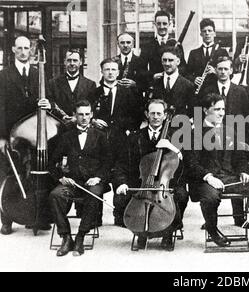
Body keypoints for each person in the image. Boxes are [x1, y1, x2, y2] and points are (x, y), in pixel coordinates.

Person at [184, 93, 249, 257]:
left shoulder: (229, 130)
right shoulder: (194, 132)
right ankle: (212, 229)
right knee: (210, 197)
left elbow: (239, 157)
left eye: (223, 109)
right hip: (206, 180)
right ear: (205, 110)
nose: (221, 113)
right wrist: (209, 177)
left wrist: (243, 172)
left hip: (229, 177)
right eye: (216, 109)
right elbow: (191, 164)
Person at [114, 99, 187, 250]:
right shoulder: (134, 137)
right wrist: (121, 182)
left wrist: (173, 148)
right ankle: (140, 230)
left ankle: (168, 232)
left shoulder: (175, 136)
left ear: (165, 115)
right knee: (121, 198)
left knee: (181, 195)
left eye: (159, 113)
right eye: (152, 113)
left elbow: (187, 162)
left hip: (167, 184)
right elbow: (121, 164)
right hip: (142, 183)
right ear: (147, 114)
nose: (155, 117)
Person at [0, 36, 53, 235]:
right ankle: (7, 219)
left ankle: (36, 216)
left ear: (31, 51)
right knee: (9, 174)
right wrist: (2, 136)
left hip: (32, 132)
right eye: (20, 48)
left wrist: (48, 104)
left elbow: (47, 99)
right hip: (11, 134)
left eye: (27, 48)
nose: (24, 52)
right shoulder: (3, 75)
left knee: (34, 174)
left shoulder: (37, 73)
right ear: (13, 49)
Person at [48, 100, 112, 257]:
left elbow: (108, 162)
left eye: (87, 114)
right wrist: (61, 178)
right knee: (55, 195)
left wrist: (98, 177)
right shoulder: (66, 137)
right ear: (75, 116)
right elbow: (51, 163)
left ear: (91, 115)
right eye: (80, 114)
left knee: (93, 195)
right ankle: (66, 237)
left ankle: (80, 237)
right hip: (72, 182)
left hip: (93, 182)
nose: (84, 117)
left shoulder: (100, 136)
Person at [90, 58, 143, 226]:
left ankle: (120, 214)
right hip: (99, 139)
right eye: (107, 69)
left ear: (118, 72)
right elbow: (85, 112)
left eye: (113, 69)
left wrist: (127, 129)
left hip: (121, 139)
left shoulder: (129, 93)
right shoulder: (95, 92)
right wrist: (93, 121)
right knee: (98, 172)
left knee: (120, 174)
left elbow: (137, 115)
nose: (110, 72)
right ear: (102, 72)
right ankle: (95, 216)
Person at [202, 55, 249, 226]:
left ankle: (239, 217)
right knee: (214, 169)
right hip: (212, 137)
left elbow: (246, 116)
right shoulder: (207, 89)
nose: (223, 72)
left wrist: (244, 141)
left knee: (235, 172)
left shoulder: (241, 91)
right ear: (215, 70)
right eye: (220, 68)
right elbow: (201, 111)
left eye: (226, 69)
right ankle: (211, 219)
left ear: (232, 70)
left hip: (235, 138)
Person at [48, 49, 97, 124]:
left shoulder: (90, 84)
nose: (72, 63)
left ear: (81, 62)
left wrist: (77, 118)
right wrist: (63, 117)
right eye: (69, 60)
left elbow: (92, 106)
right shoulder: (53, 83)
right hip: (60, 125)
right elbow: (51, 103)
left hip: (82, 126)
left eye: (75, 60)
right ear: (64, 61)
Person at [140, 11, 187, 85]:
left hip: (173, 84)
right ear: (155, 24)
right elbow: (141, 70)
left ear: (169, 24)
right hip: (156, 85)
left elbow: (183, 67)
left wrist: (172, 73)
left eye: (164, 24)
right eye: (159, 24)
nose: (162, 27)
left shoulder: (176, 44)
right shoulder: (147, 46)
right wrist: (152, 76)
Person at [149, 47, 195, 117]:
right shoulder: (155, 83)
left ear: (178, 62)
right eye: (164, 60)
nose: (167, 64)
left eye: (170, 60)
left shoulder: (188, 85)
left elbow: (195, 110)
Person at [186, 18, 229, 92]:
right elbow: (187, 74)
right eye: (204, 31)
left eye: (210, 31)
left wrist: (216, 72)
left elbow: (229, 73)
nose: (207, 33)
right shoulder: (193, 53)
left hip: (216, 90)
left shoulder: (222, 52)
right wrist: (194, 79)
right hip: (199, 92)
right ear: (201, 34)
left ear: (214, 33)